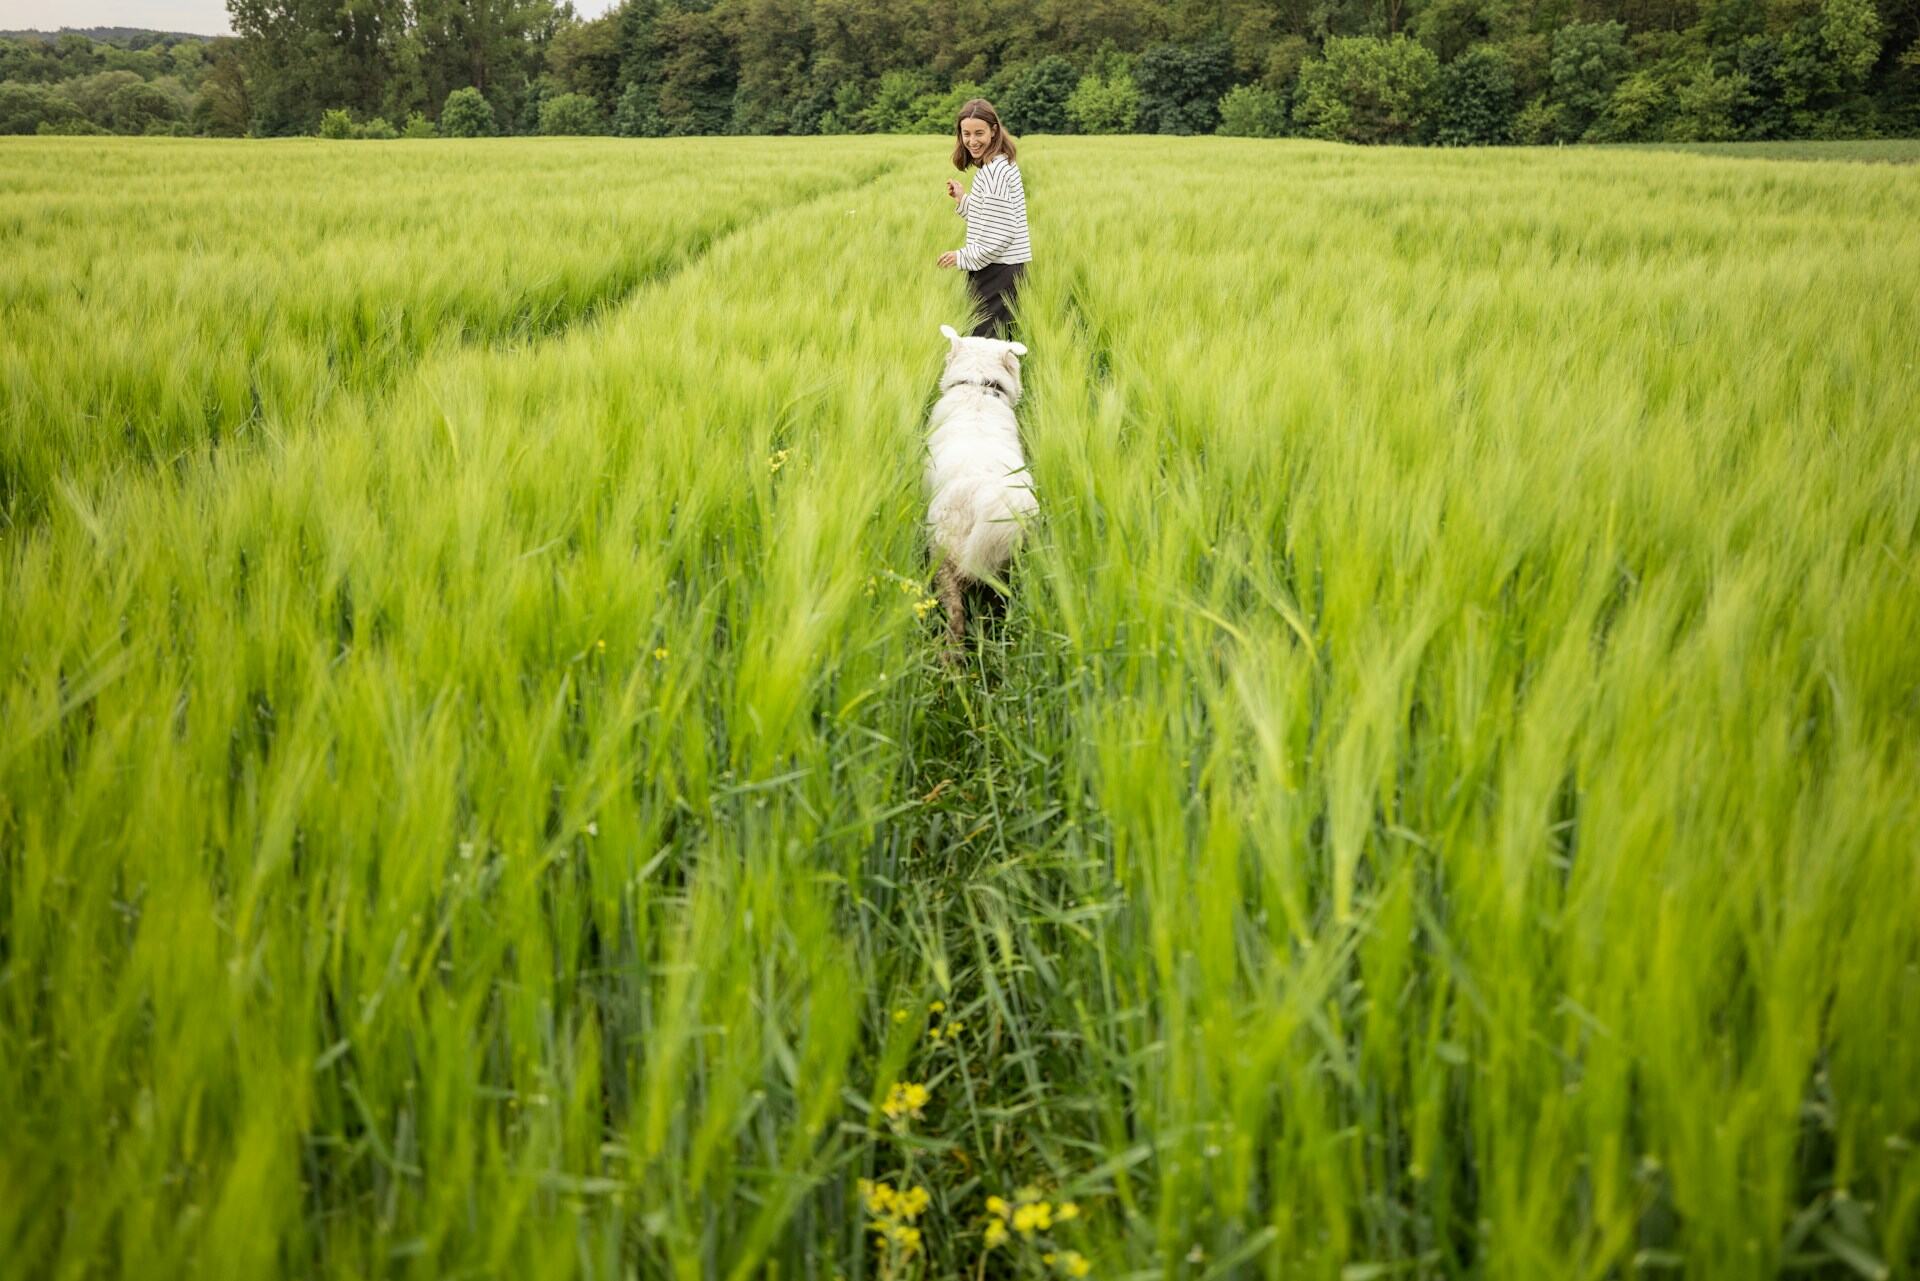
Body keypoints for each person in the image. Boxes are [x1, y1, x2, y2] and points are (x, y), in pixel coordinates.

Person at [936, 99, 1031, 340]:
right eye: (966, 133)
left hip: (997, 271)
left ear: (994, 130)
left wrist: (962, 256)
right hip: (1003, 267)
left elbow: (1000, 234)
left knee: (984, 345)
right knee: (997, 343)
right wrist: (963, 200)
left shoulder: (994, 173)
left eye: (979, 133)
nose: (972, 140)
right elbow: (990, 218)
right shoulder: (999, 165)